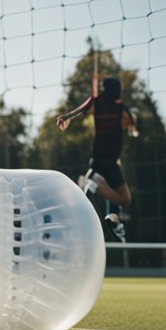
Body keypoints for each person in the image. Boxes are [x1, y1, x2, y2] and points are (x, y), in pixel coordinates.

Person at [56, 74, 138, 241]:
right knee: (125, 198)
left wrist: (66, 118)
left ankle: (106, 206)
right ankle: (99, 190)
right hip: (111, 161)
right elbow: (133, 125)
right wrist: (131, 126)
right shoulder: (120, 108)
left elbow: (79, 111)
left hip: (98, 161)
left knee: (115, 196)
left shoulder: (97, 103)